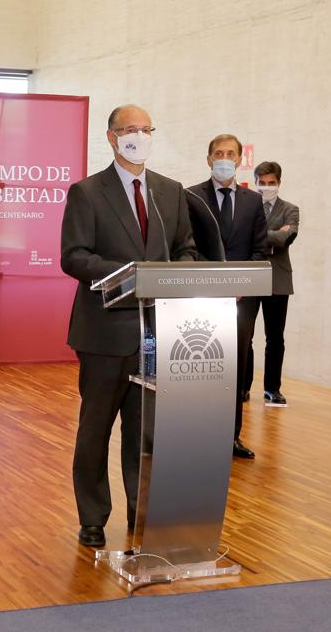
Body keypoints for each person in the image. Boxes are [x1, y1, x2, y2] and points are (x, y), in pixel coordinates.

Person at [61, 104, 198, 548]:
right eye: (128, 130)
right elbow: (74, 256)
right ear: (111, 137)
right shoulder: (87, 192)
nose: (137, 136)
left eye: (144, 129)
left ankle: (142, 514)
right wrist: (130, 273)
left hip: (157, 334)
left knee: (147, 431)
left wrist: (177, 274)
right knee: (96, 429)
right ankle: (93, 517)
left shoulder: (170, 192)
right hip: (104, 334)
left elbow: (187, 250)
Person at [185, 134, 267, 459]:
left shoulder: (252, 201)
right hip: (202, 296)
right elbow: (187, 247)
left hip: (241, 300)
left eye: (230, 153)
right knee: (201, 364)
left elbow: (260, 251)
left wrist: (240, 284)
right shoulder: (190, 196)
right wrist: (215, 281)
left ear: (239, 160)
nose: (223, 158)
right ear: (208, 159)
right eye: (218, 153)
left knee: (235, 365)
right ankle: (199, 432)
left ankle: (231, 437)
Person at [246, 161, 300, 408]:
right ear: (255, 182)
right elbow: (243, 235)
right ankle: (242, 387)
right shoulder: (246, 207)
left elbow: (286, 238)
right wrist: (273, 235)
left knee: (275, 337)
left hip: (277, 279)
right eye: (262, 183)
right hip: (249, 277)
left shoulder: (291, 209)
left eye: (271, 183)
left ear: (279, 183)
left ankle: (272, 389)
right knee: (244, 336)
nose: (266, 187)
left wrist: (260, 237)